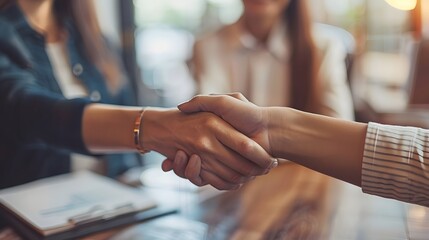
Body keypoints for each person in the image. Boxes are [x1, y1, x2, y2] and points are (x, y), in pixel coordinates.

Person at [0, 0, 276, 195]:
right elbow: (26, 109)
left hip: (113, 214)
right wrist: (160, 128)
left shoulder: (96, 41)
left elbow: (128, 162)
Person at [163, 93, 429, 208]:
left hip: (313, 193)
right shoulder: (209, 44)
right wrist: (269, 130)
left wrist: (270, 131)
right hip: (231, 198)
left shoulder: (318, 45)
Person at [192, 0, 354, 120]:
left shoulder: (324, 48)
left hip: (301, 167)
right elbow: (206, 125)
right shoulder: (206, 47)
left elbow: (340, 136)